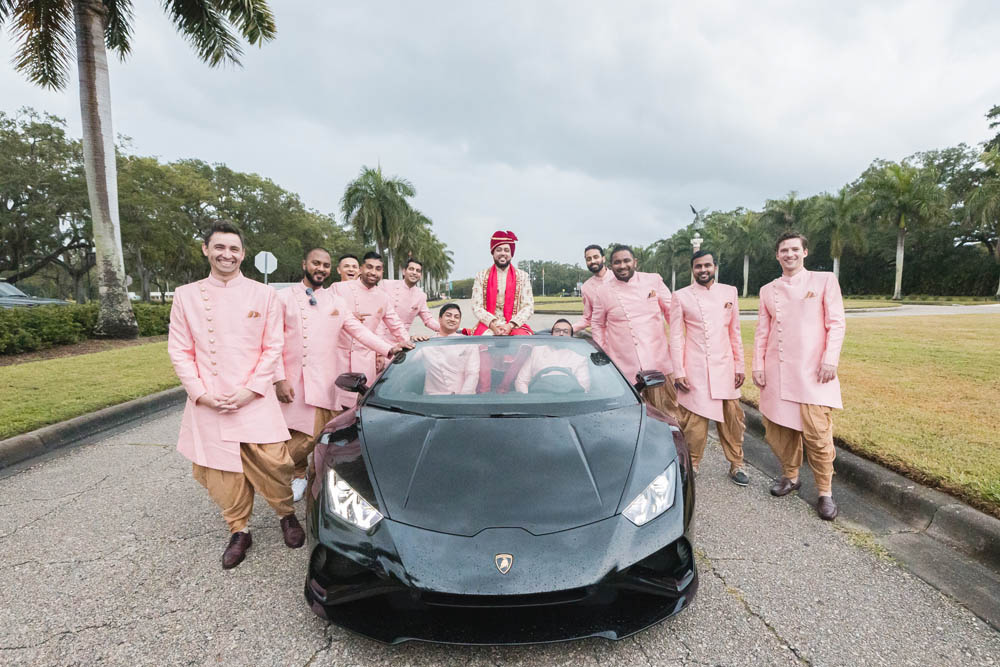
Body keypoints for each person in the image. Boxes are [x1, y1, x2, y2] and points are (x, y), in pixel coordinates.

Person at [167, 220, 302, 570]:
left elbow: (273, 347)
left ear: (243, 254)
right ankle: (239, 530)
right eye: (220, 247)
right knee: (222, 472)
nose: (227, 254)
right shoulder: (186, 295)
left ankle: (286, 514)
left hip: (253, 398)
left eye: (234, 249)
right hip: (210, 401)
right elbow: (180, 350)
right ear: (206, 249)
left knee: (275, 462)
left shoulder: (264, 294)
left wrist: (250, 391)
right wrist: (200, 394)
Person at [274, 248, 410, 502]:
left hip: (327, 378)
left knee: (323, 430)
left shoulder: (336, 301)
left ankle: (312, 477)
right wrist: (278, 378)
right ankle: (291, 476)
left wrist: (390, 347)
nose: (321, 269)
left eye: (325, 264)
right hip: (294, 379)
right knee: (290, 434)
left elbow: (359, 330)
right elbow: (272, 341)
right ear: (304, 263)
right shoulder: (283, 298)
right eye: (316, 263)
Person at [753, 231, 846, 521]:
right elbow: (762, 332)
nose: (789, 254)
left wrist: (830, 359)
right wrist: (757, 364)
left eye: (794, 249)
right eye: (783, 250)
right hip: (777, 371)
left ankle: (825, 492)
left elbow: (836, 323)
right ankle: (790, 477)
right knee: (779, 432)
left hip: (813, 372)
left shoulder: (824, 281)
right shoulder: (768, 290)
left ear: (804, 252)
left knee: (818, 435)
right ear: (777, 255)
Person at [669, 250, 748, 484]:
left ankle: (737, 464)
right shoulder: (681, 296)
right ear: (692, 270)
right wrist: (679, 371)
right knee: (693, 423)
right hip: (695, 369)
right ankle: (692, 464)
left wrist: (739, 366)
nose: (703, 270)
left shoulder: (729, 292)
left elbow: (734, 332)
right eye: (698, 267)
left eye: (707, 266)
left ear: (714, 266)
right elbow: (675, 337)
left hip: (725, 367)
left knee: (733, 420)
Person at [591, 245, 678, 418]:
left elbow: (672, 313)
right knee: (628, 418)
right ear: (611, 265)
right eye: (617, 262)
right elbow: (597, 324)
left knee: (667, 415)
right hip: (624, 366)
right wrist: (604, 352)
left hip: (657, 361)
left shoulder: (653, 280)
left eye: (626, 261)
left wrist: (677, 347)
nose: (622, 266)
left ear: (635, 262)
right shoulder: (602, 291)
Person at [332, 252, 413, 410]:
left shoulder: (383, 297)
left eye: (378, 269)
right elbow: (325, 313)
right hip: (338, 358)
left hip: (365, 360)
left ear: (382, 272)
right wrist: (343, 316)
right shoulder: (338, 288)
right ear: (361, 268)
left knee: (361, 408)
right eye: (369, 267)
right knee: (334, 408)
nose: (373, 272)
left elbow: (395, 324)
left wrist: (409, 343)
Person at [471, 230, 534, 335]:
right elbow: (476, 306)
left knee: (522, 341)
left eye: (506, 250)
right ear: (493, 253)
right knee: (485, 338)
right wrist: (493, 325)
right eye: (498, 250)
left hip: (514, 324)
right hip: (489, 324)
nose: (503, 253)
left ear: (511, 254)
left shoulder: (523, 276)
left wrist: (510, 325)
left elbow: (528, 306)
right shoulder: (481, 276)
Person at [411, 303, 480, 395]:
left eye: (456, 317)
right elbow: (410, 360)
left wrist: (462, 399)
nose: (452, 319)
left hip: (460, 396)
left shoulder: (468, 343)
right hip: (431, 398)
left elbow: (472, 374)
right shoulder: (427, 343)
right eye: (448, 315)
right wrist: (413, 341)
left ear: (459, 322)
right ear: (439, 319)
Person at [514, 318, 591, 393]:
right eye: (557, 331)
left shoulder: (579, 359)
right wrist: (528, 400)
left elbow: (583, 388)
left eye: (565, 331)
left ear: (571, 336)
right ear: (552, 334)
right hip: (537, 400)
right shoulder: (536, 351)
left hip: (567, 401)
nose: (561, 334)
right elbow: (521, 381)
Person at [376, 257, 441, 344]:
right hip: (378, 338)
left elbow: (428, 320)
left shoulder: (421, 296)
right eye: (411, 269)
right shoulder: (386, 285)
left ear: (420, 275)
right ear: (404, 271)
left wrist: (449, 330)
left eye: (418, 271)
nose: (414, 273)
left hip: (401, 341)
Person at [572, 244, 613, 334]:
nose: (592, 261)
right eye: (588, 259)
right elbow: (588, 318)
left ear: (603, 258)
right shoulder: (586, 288)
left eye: (596, 257)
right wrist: (569, 329)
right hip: (601, 338)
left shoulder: (618, 278)